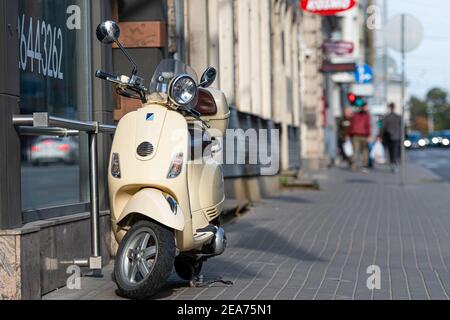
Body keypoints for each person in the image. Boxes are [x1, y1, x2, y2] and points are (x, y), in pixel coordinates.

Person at [349, 104, 371, 172]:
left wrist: (349, 134)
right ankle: (365, 165)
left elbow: (351, 125)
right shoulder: (366, 116)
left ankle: (353, 165)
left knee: (355, 151)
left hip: (355, 135)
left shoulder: (354, 115)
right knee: (365, 150)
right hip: (363, 135)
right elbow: (368, 125)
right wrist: (369, 134)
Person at [381, 103, 402, 172]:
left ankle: (393, 163)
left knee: (391, 151)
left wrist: (381, 135)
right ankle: (394, 163)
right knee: (394, 151)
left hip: (390, 137)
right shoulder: (397, 117)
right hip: (395, 137)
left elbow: (383, 127)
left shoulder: (387, 117)